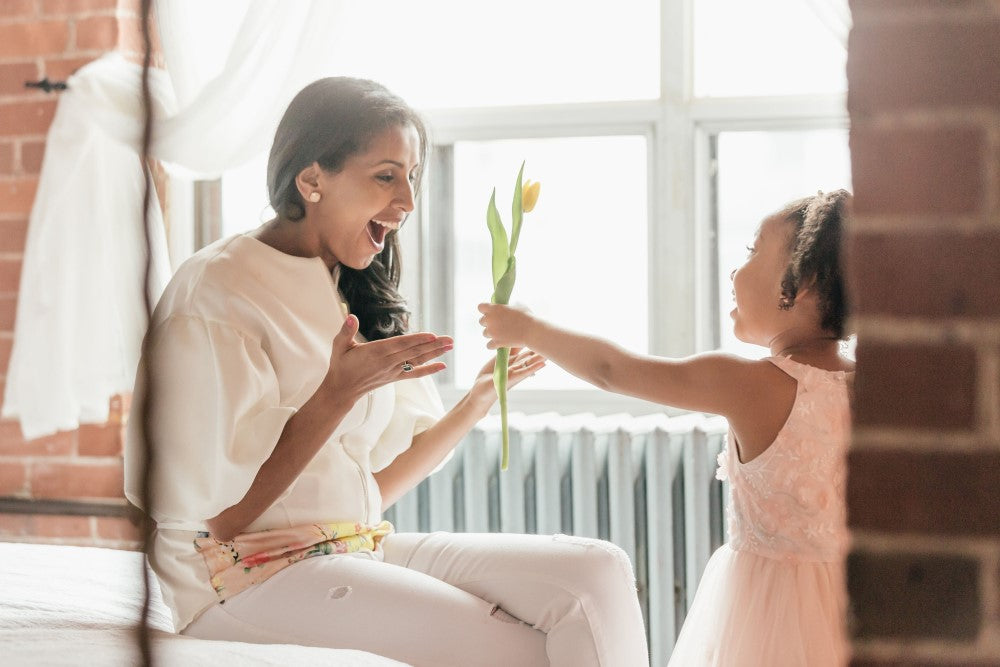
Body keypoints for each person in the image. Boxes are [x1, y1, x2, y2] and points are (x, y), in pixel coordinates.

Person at [123, 77, 649, 667]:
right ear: (312, 179)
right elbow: (222, 520)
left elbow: (369, 490)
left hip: (348, 544)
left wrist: (474, 401)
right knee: (525, 651)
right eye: (385, 175)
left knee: (595, 573)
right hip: (238, 576)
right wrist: (336, 394)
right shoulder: (217, 292)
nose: (408, 202)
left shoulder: (344, 284)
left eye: (412, 176)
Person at [480, 190, 854, 666]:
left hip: (770, 619)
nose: (736, 270)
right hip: (863, 608)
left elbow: (614, 370)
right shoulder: (878, 388)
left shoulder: (750, 384)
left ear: (799, 283)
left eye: (752, 251)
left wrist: (530, 330)